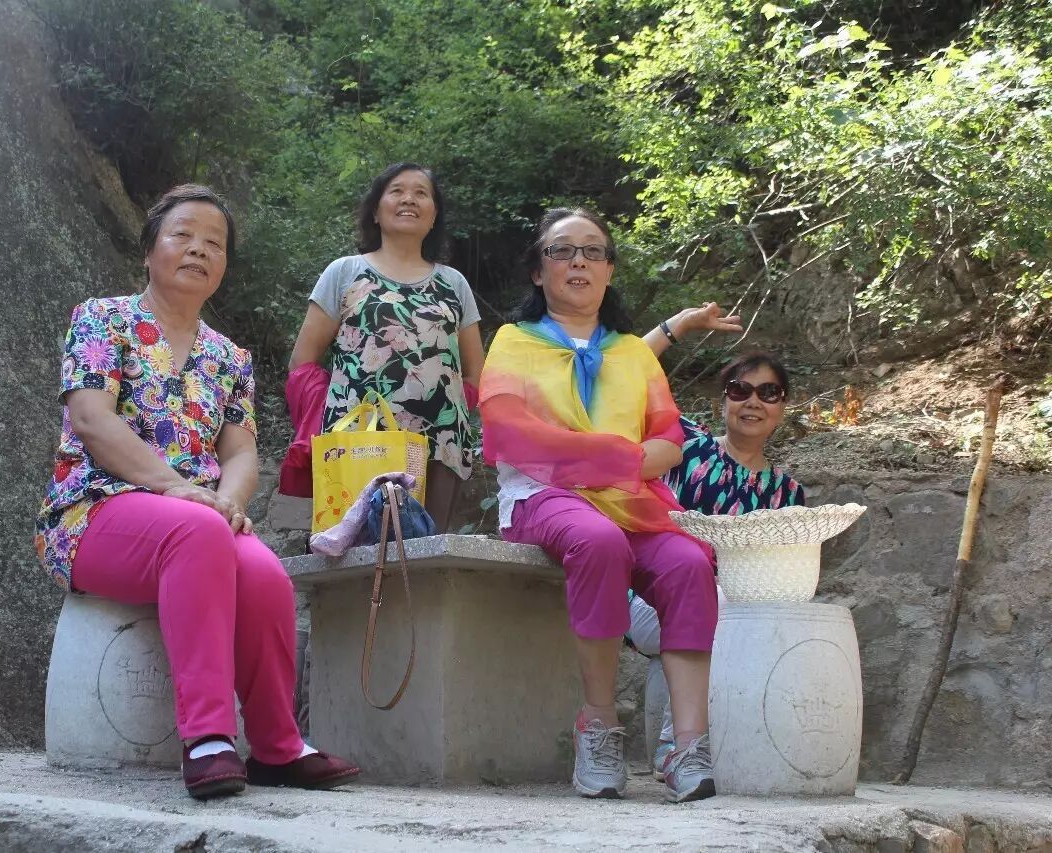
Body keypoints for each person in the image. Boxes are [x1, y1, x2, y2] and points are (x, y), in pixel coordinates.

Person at [34, 184, 359, 800]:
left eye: (214, 243)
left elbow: (240, 453)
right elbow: (91, 419)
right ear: (149, 249)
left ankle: (277, 747)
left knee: (264, 574)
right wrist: (179, 490)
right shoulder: (103, 319)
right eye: (182, 235)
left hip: (198, 521)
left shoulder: (229, 356)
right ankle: (207, 739)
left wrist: (228, 501)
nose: (198, 250)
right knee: (201, 530)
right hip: (93, 512)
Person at [479, 206, 718, 803]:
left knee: (690, 563)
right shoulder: (513, 342)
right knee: (597, 539)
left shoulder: (634, 353)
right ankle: (598, 725)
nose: (578, 261)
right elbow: (513, 433)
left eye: (593, 251)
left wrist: (607, 460)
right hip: (542, 497)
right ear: (538, 271)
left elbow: (669, 441)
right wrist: (623, 457)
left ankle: (688, 745)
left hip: (634, 503)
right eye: (562, 250)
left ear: (610, 270)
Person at [628, 350, 807, 778]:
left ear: (782, 407)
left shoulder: (787, 495)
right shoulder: (687, 447)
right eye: (740, 390)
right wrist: (678, 328)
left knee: (741, 611)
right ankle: (678, 748)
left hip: (731, 617)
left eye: (769, 393)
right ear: (722, 401)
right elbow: (626, 371)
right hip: (647, 600)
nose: (753, 402)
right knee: (718, 603)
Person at [283, 162, 484, 532]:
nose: (409, 199)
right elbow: (303, 363)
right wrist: (338, 411)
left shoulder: (454, 284)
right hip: (359, 441)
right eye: (397, 191)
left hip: (441, 446)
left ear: (434, 215)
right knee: (357, 551)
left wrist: (446, 412)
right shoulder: (345, 272)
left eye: (421, 193)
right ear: (375, 211)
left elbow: (474, 372)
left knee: (427, 552)